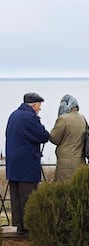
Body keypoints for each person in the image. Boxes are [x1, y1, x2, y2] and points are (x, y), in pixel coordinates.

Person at [5, 92, 50, 234]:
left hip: (13, 164)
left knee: (16, 198)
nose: (40, 109)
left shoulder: (13, 115)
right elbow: (43, 136)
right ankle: (29, 228)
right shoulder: (29, 117)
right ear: (34, 105)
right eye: (39, 105)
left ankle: (19, 226)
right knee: (28, 197)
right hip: (27, 164)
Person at [49, 94, 87, 181]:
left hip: (65, 163)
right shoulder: (82, 118)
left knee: (64, 188)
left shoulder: (63, 119)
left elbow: (54, 139)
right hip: (80, 160)